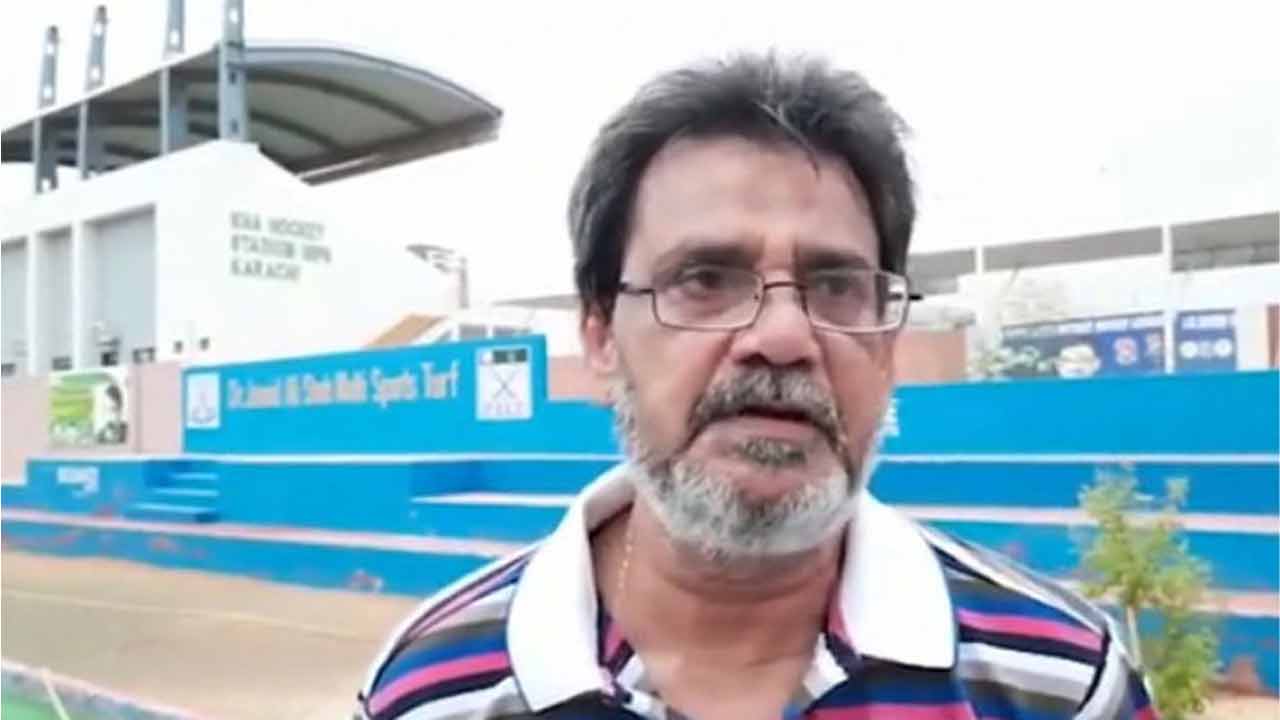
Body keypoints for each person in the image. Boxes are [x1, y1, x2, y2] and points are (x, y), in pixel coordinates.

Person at [359, 52, 1156, 719]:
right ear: (600, 334)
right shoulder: (433, 695)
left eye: (836, 286)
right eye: (706, 279)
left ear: (887, 341)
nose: (782, 339)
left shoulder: (1059, 685)